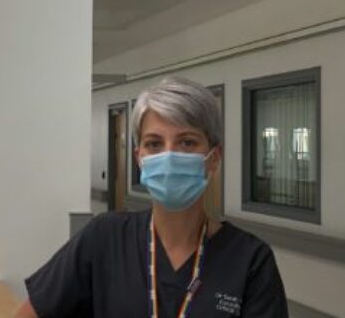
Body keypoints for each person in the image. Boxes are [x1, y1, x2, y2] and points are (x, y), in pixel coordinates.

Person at [15, 77, 288, 318]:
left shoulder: (250, 261)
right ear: (140, 158)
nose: (169, 155)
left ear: (213, 158)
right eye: (154, 144)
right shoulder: (105, 238)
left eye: (187, 142)